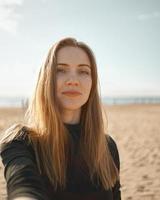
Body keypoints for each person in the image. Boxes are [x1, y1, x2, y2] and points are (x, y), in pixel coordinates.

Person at [0, 37, 121, 200]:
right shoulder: (21, 141)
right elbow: (23, 186)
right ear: (45, 80)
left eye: (83, 71)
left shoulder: (106, 146)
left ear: (92, 82)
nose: (73, 80)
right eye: (60, 70)